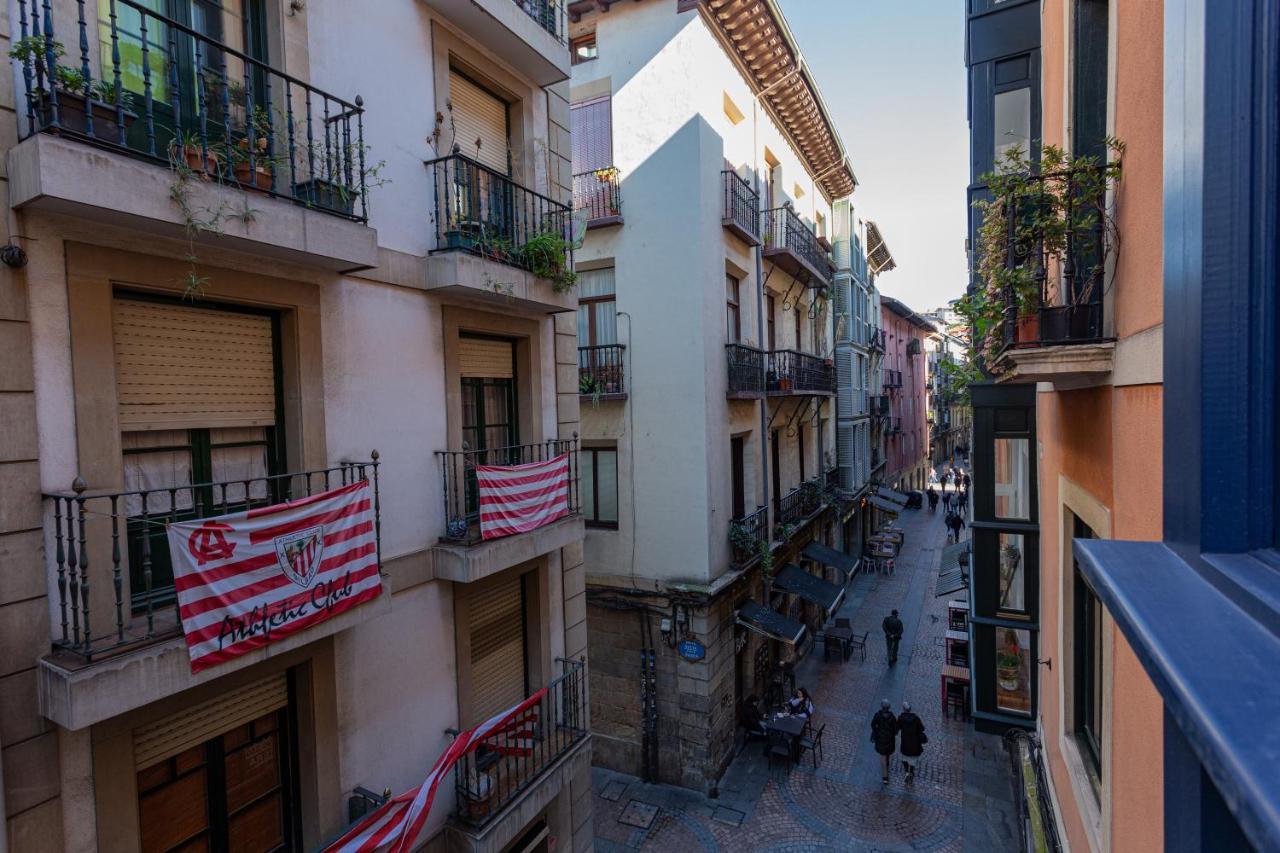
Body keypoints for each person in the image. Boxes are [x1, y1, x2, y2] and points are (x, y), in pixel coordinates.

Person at [897, 702, 927, 783]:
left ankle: (907, 771)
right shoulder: (916, 718)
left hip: (905, 741)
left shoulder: (901, 718)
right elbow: (922, 728)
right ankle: (911, 771)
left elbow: (897, 727)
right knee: (913, 759)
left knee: (904, 757)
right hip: (915, 742)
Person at [870, 700, 900, 784]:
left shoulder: (878, 715)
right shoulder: (892, 717)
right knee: (887, 753)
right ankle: (887, 764)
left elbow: (873, 724)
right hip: (890, 739)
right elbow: (896, 729)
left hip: (881, 738)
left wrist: (876, 731)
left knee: (882, 755)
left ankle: (885, 777)